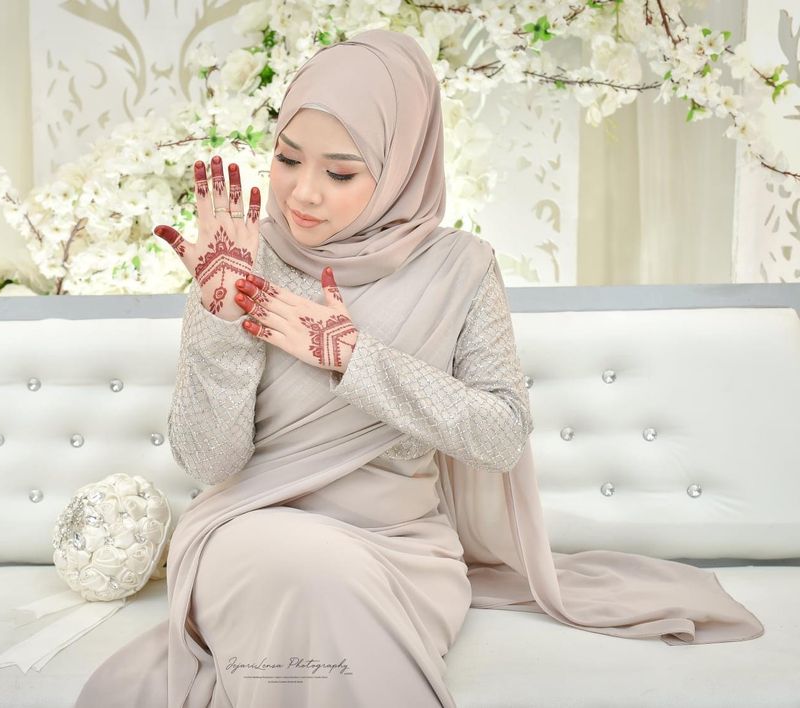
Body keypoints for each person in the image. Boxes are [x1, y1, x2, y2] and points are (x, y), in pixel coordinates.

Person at [74, 28, 763, 708]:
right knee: (305, 568)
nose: (303, 194)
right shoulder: (241, 260)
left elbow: (501, 435)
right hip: (248, 532)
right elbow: (209, 461)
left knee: (327, 578)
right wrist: (221, 318)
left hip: (400, 552)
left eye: (340, 172)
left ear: (404, 164)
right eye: (287, 158)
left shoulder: (459, 268)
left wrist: (352, 357)